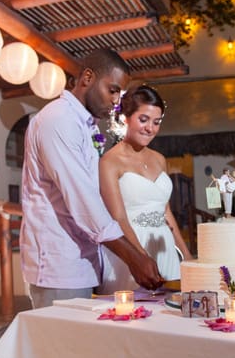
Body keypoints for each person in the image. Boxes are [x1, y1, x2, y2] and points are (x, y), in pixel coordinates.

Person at [20, 49, 164, 309]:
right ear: (87, 77)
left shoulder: (84, 125)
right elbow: (83, 200)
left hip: (85, 261)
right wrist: (133, 257)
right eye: (113, 90)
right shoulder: (58, 119)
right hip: (60, 265)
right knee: (62, 349)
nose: (117, 101)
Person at [96, 85, 192, 294]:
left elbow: (165, 212)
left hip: (164, 247)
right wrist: (141, 258)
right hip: (130, 250)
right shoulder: (109, 162)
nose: (150, 128)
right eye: (143, 120)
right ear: (125, 118)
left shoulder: (159, 159)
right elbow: (118, 218)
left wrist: (187, 257)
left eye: (156, 122)